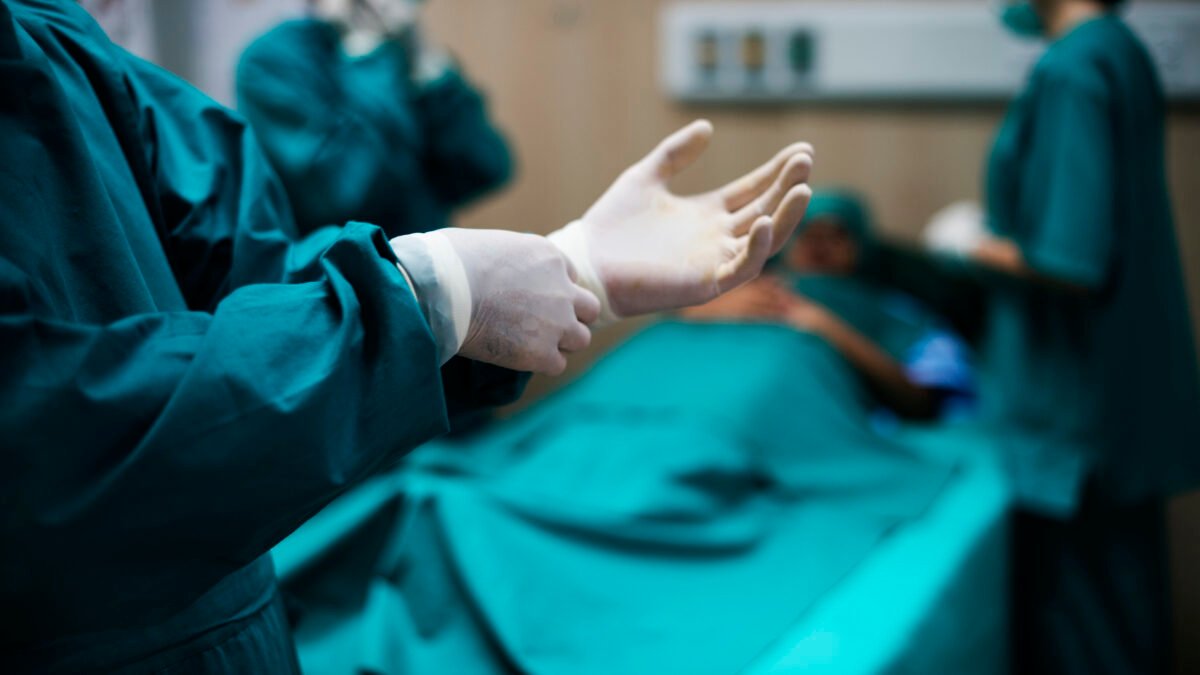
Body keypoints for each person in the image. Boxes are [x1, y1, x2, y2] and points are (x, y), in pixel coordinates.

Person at [0, 1, 813, 671]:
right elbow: (37, 441)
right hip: (329, 386)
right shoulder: (282, 61)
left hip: (354, 382)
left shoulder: (57, 41)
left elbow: (472, 164)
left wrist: (574, 265)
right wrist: (421, 296)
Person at [915, 1, 1200, 672]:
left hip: (1070, 421)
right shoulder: (1117, 52)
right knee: (1121, 617)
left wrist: (972, 244)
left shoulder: (1073, 70)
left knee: (1086, 636)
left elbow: (1071, 260)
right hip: (1113, 401)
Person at [686, 190, 975, 422]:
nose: (819, 245)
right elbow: (670, 331)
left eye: (836, 236)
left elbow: (924, 402)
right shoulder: (734, 291)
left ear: (862, 246)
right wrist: (706, 309)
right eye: (806, 233)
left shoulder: (895, 311)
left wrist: (826, 328)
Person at [237, 0, 513, 239]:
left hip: (424, 279)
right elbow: (342, 194)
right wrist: (364, 55)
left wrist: (426, 66)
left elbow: (486, 168)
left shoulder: (403, 53)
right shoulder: (274, 61)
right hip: (335, 284)